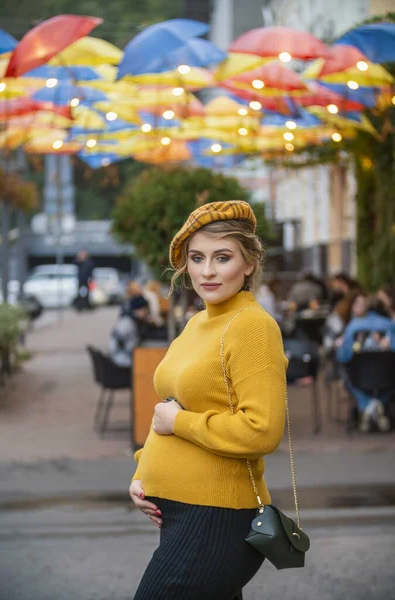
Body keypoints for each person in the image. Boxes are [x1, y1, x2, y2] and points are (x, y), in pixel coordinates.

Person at [129, 201, 288, 600]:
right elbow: (171, 404)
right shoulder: (198, 321)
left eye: (222, 257)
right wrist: (142, 473)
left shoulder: (251, 325)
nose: (207, 271)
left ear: (249, 263)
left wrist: (179, 424)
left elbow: (262, 430)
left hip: (216, 519)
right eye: (197, 258)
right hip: (183, 515)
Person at [336, 296, 395, 433]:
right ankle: (377, 404)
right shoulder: (390, 326)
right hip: (387, 377)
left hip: (359, 377)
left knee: (346, 377)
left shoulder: (354, 326)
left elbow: (342, 356)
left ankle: (367, 406)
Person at [109, 296, 149, 367]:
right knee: (145, 364)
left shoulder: (129, 320)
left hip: (120, 356)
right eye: (144, 310)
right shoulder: (128, 324)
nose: (146, 313)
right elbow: (131, 348)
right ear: (138, 310)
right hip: (122, 359)